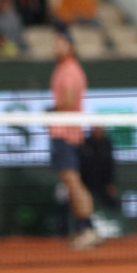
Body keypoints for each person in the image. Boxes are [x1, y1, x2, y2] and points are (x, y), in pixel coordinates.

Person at [49, 29, 102, 250]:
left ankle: (88, 229)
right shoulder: (63, 67)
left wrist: (50, 111)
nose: (55, 47)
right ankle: (82, 228)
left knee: (73, 182)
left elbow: (69, 99)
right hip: (63, 133)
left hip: (66, 134)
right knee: (70, 183)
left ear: (70, 46)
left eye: (60, 43)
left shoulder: (70, 69)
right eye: (55, 43)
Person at [79, 126, 119, 211]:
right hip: (87, 181)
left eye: (100, 130)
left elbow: (110, 164)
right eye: (96, 129)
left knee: (111, 204)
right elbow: (81, 164)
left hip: (103, 182)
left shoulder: (107, 144)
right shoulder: (85, 144)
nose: (98, 132)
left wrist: (110, 183)